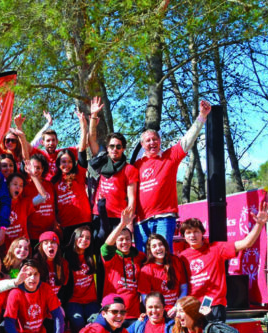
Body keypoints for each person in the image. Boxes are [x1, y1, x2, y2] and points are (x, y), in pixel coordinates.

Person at [134, 100, 212, 248]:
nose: (152, 143)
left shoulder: (170, 156)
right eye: (148, 141)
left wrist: (201, 116)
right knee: (143, 259)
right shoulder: (136, 165)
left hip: (164, 217)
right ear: (143, 145)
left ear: (160, 141)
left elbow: (188, 139)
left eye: (155, 139)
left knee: (163, 256)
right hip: (141, 220)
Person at [179, 202, 268, 322]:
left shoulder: (217, 249)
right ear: (184, 236)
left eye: (196, 231)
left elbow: (246, 243)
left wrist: (259, 224)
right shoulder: (181, 257)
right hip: (191, 306)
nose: (192, 235)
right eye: (188, 233)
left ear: (202, 233)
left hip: (214, 305)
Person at [4, 259, 65, 333]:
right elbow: (9, 324)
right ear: (22, 276)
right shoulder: (15, 293)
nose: (32, 278)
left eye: (35, 274)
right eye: (28, 274)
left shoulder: (46, 289)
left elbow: (58, 316)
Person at [88, 131, 138, 246]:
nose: (115, 149)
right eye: (112, 146)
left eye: (118, 146)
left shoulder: (129, 169)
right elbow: (91, 139)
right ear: (107, 148)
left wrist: (129, 221)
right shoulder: (100, 163)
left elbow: (131, 197)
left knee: (116, 252)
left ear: (123, 149)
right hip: (99, 215)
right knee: (98, 249)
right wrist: (93, 118)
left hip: (118, 218)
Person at [101, 208, 145, 322]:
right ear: (115, 242)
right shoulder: (111, 257)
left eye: (127, 239)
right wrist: (122, 224)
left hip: (134, 315)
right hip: (113, 313)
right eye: (121, 239)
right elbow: (106, 247)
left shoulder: (140, 257)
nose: (125, 242)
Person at [138, 234, 188, 316]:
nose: (158, 248)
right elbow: (145, 299)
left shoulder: (176, 261)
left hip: (178, 309)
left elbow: (184, 288)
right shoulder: (146, 270)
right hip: (159, 313)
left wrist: (177, 307)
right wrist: (160, 311)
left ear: (165, 246)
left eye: (160, 244)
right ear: (150, 250)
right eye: (154, 246)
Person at [63, 226, 100, 333]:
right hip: (73, 301)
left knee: (96, 323)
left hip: (91, 301)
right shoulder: (66, 257)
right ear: (75, 238)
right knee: (77, 321)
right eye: (81, 236)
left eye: (88, 238)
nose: (84, 240)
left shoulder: (93, 257)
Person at [5, 171, 47, 253]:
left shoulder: (25, 203)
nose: (18, 187)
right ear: (8, 185)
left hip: (24, 251)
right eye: (15, 184)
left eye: (21, 185)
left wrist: (32, 175)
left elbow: (42, 197)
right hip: (7, 251)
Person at [24, 153, 57, 242]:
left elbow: (53, 207)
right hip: (33, 234)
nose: (35, 171)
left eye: (38, 168)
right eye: (32, 168)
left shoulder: (49, 185)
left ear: (43, 169)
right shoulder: (25, 187)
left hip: (50, 232)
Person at [33, 231, 70, 298]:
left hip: (55, 301)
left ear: (58, 247)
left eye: (53, 242)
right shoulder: (35, 264)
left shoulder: (63, 263)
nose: (50, 245)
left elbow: (64, 286)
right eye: (46, 243)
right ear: (40, 247)